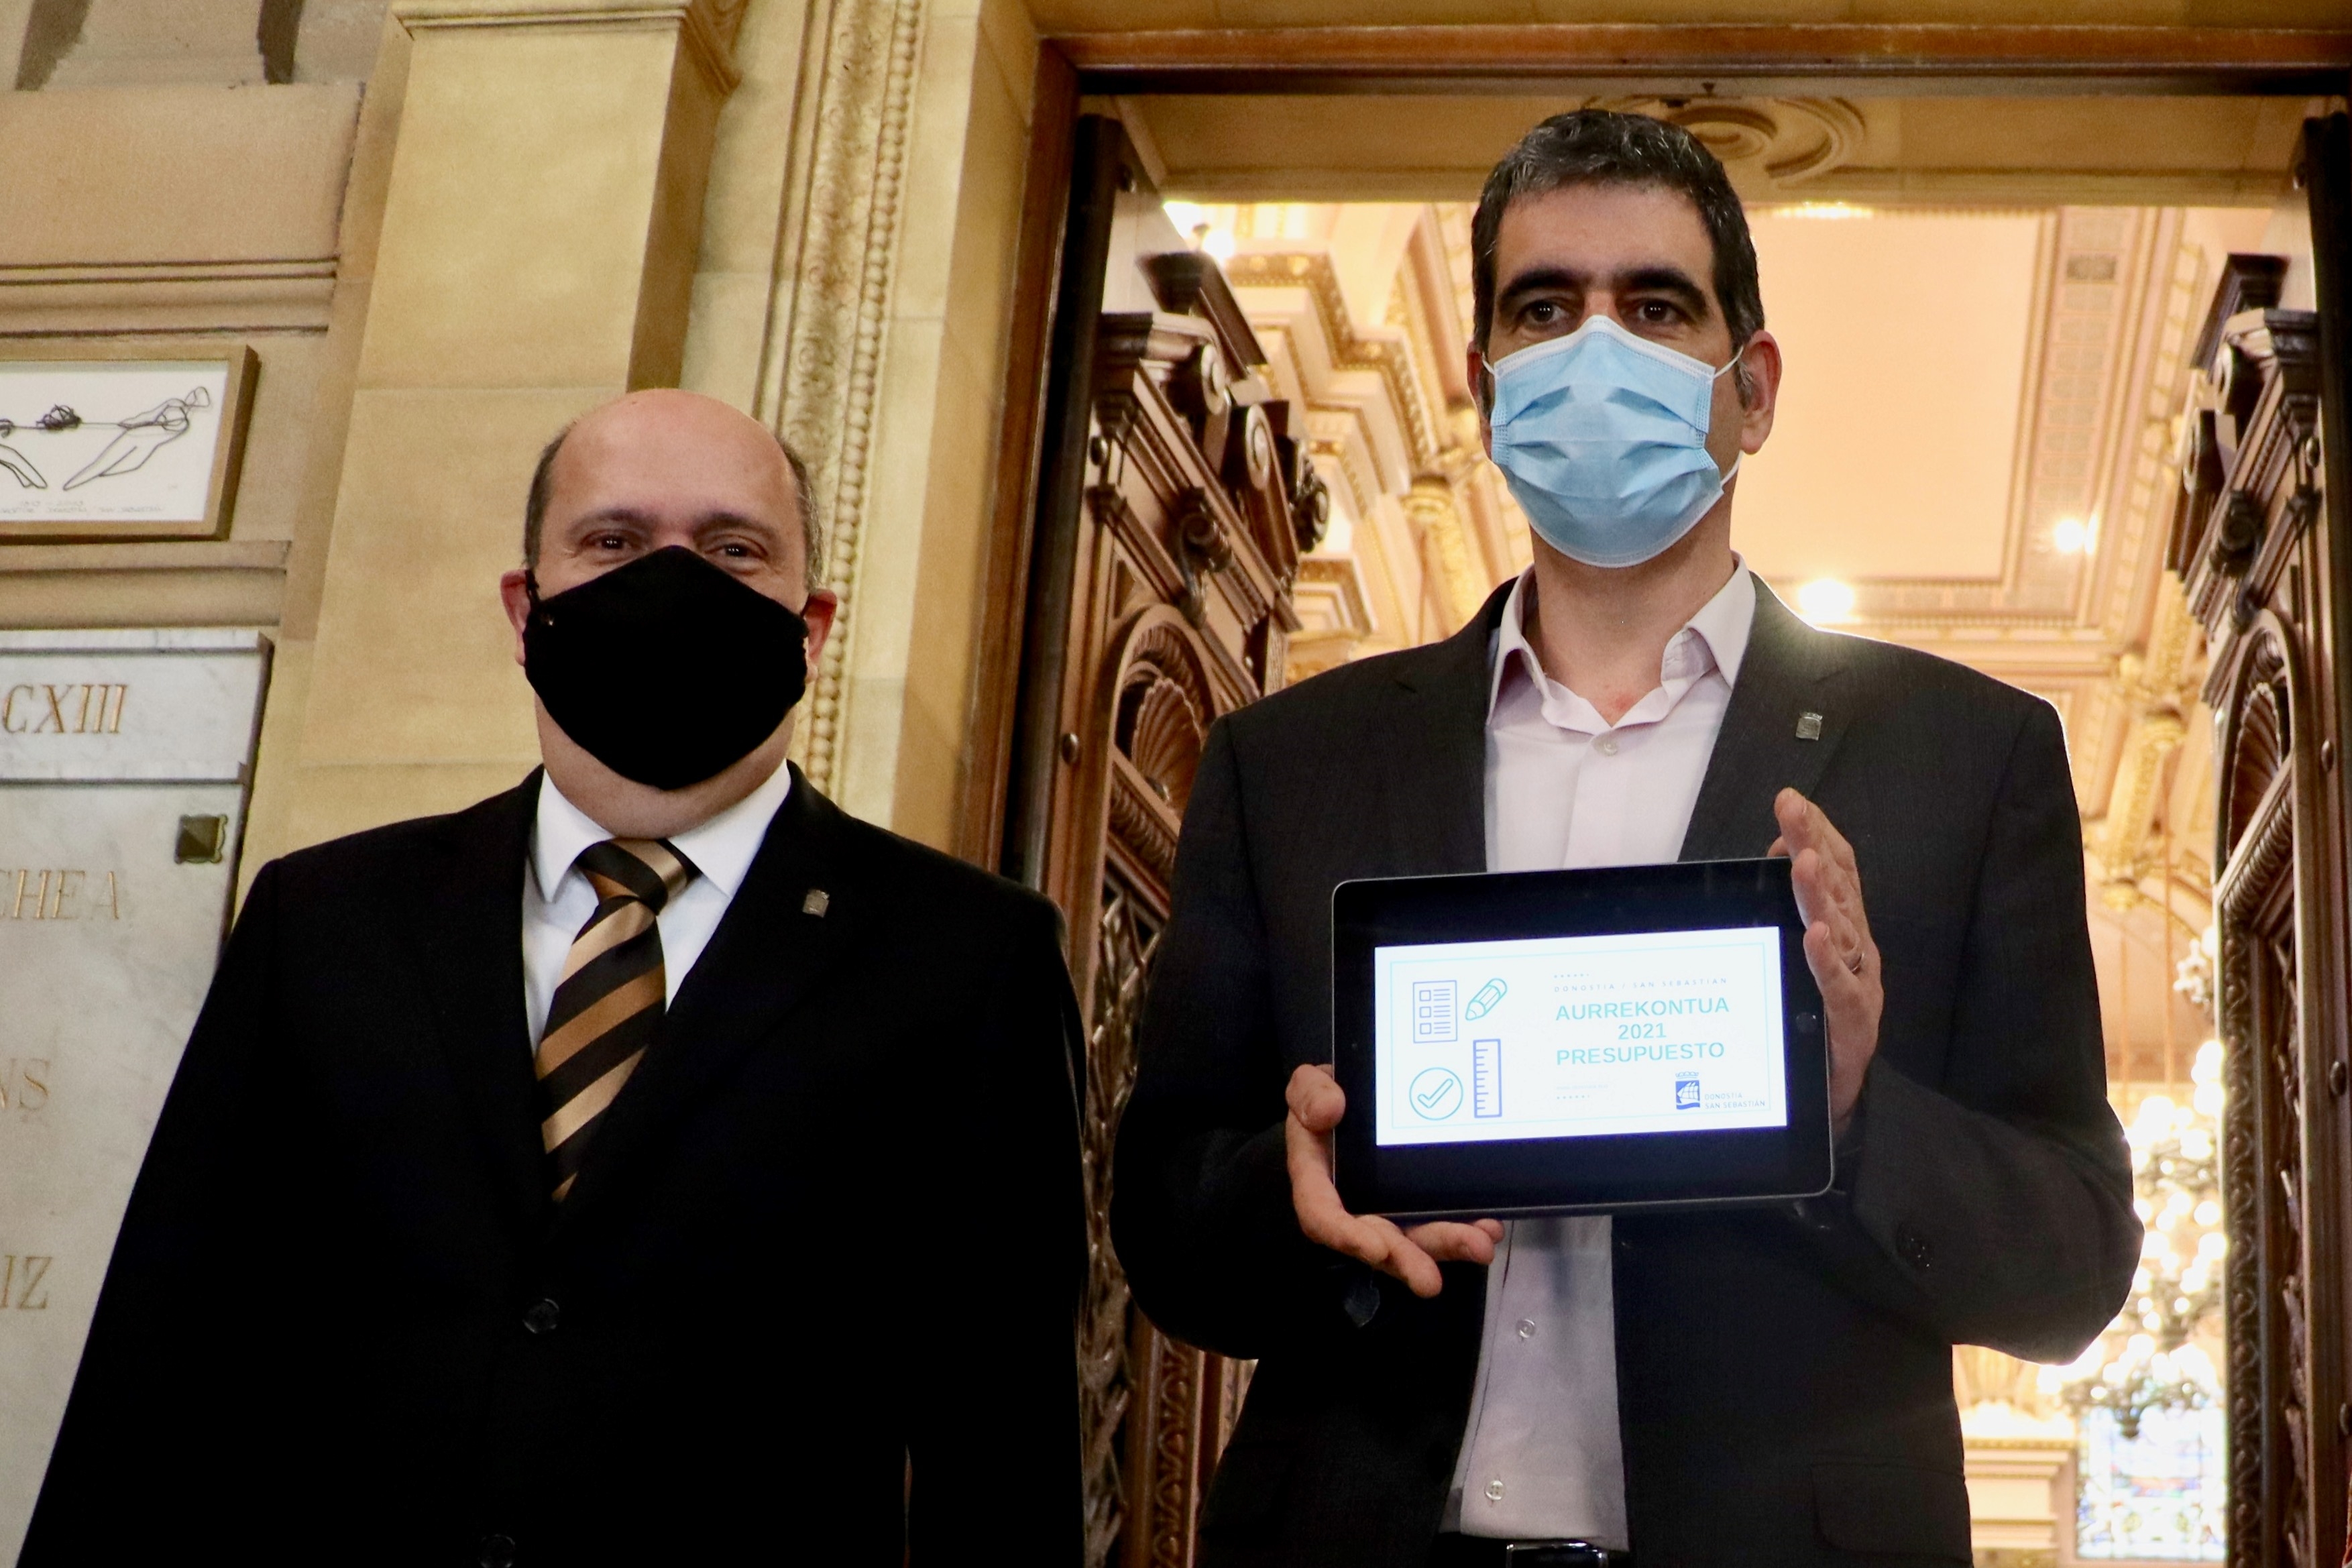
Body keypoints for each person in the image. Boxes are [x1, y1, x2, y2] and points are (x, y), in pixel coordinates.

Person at [1111, 111, 2139, 1567]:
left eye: (1654, 307)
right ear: (1486, 389)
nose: (1596, 348)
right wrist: (1293, 1188)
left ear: (1751, 387)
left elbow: (2075, 1259)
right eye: (1545, 309)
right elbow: (1160, 1222)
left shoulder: (1964, 760)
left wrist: (1855, 1112)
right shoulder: (1288, 762)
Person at [26, 390, 1084, 1566]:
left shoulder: (967, 959)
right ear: (525, 609)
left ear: (813, 626)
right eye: (614, 541)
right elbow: (163, 1352)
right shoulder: (325, 919)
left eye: (733, 549)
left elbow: (1004, 1451)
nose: (671, 581)